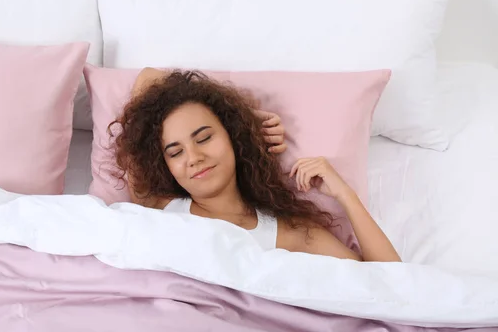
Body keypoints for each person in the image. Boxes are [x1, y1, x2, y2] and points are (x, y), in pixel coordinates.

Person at [108, 68, 401, 262]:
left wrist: (346, 195)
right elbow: (148, 77)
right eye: (175, 152)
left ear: (233, 137)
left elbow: (390, 283)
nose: (193, 157)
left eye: (205, 137)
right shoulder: (157, 205)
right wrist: (247, 115)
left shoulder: (288, 233)